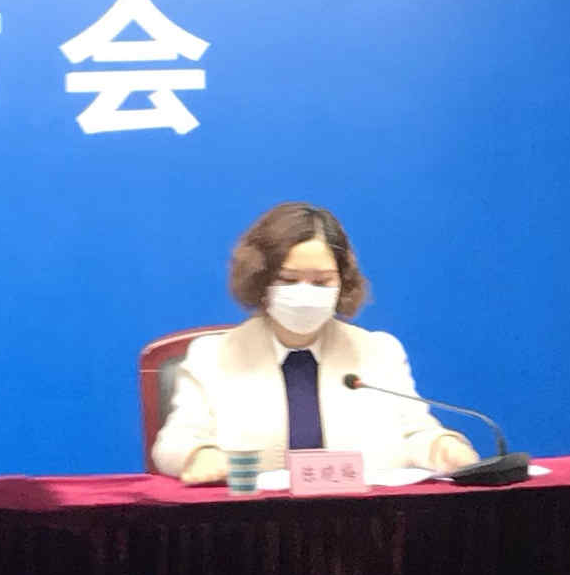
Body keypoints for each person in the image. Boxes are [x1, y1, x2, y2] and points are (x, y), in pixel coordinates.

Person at [149, 200, 474, 481]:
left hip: (363, 520)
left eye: (321, 282)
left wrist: (444, 448)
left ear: (342, 282)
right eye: (289, 279)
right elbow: (175, 442)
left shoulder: (379, 352)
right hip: (252, 524)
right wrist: (200, 455)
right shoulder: (212, 355)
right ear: (261, 280)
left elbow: (416, 433)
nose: (305, 293)